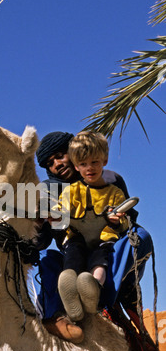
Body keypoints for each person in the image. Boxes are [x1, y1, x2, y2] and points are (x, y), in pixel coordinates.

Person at [31, 130, 153, 343]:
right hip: (73, 255)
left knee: (139, 235)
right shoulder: (48, 191)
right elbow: (41, 241)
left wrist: (115, 219)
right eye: (50, 163)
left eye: (60, 155)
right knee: (47, 259)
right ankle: (57, 318)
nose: (57, 164)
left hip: (108, 252)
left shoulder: (111, 180)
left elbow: (128, 222)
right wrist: (40, 224)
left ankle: (100, 296)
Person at [51, 131, 128, 323]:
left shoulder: (115, 192)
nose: (90, 168)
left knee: (101, 259)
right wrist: (55, 217)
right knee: (73, 253)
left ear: (105, 160)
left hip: (103, 238)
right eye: (83, 164)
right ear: (76, 166)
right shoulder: (71, 191)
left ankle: (92, 289)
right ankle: (70, 289)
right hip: (77, 237)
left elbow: (125, 221)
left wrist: (117, 220)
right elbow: (60, 212)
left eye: (95, 162)